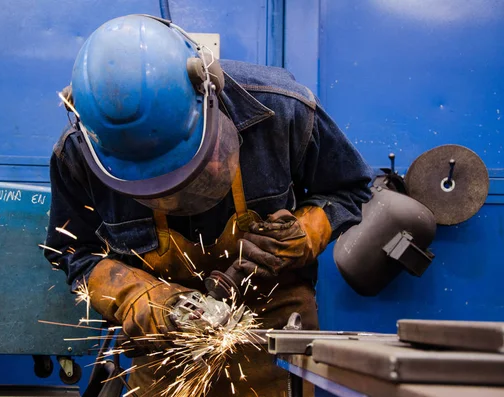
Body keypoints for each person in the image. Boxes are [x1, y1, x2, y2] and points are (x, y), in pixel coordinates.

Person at [44, 14, 373, 396]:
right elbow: (73, 251)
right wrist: (143, 299)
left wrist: (302, 233)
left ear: (207, 90)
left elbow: (348, 190)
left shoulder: (282, 111)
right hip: (167, 348)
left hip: (271, 335)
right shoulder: (79, 153)